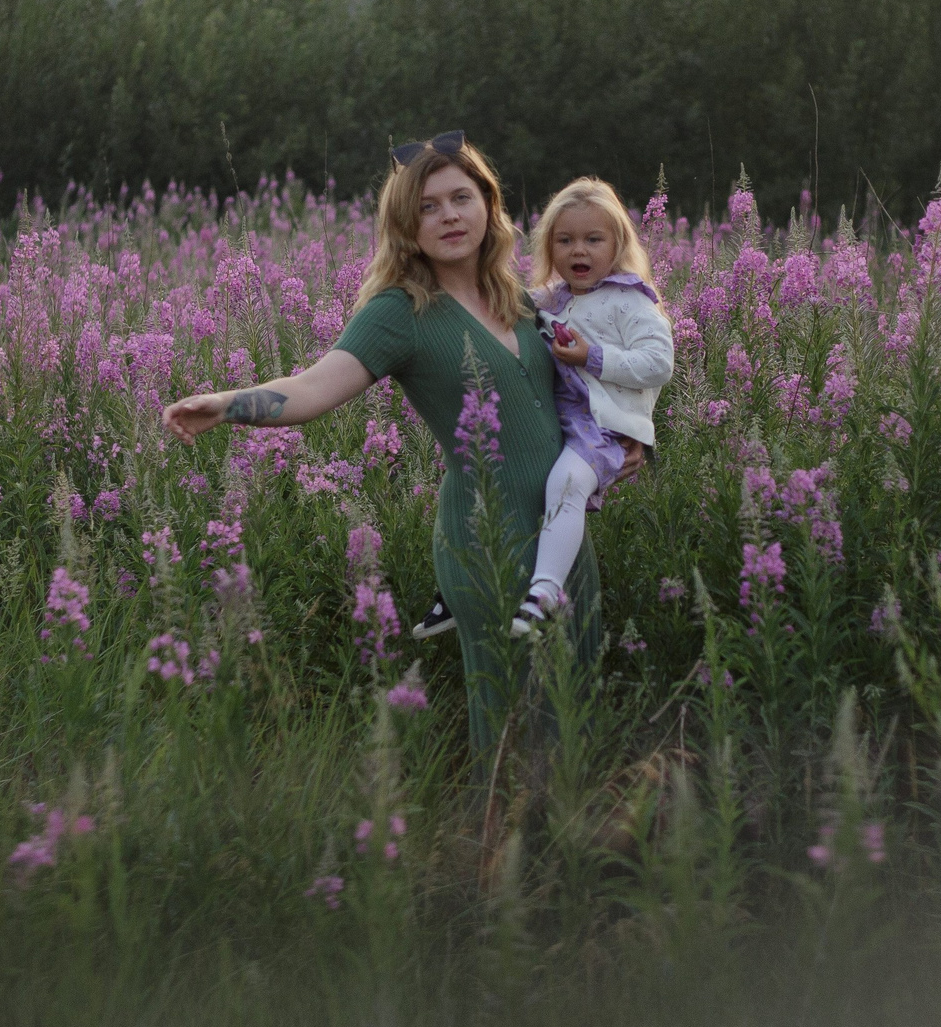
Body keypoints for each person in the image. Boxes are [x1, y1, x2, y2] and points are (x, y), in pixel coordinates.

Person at [160, 131, 626, 756]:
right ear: (405, 225)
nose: (448, 216)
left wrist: (624, 445)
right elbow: (314, 388)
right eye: (427, 207)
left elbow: (585, 390)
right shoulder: (399, 311)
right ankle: (509, 845)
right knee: (516, 720)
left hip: (563, 540)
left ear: (488, 204)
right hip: (487, 539)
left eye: (461, 198)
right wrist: (229, 404)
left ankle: (577, 843)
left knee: (579, 705)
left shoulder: (519, 298)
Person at [512, 177, 673, 637]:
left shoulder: (630, 300)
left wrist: (592, 356)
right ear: (549, 247)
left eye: (592, 239)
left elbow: (658, 363)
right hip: (554, 417)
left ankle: (544, 590)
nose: (578, 251)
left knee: (566, 485)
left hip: (599, 428)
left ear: (617, 244)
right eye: (564, 240)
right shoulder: (552, 299)